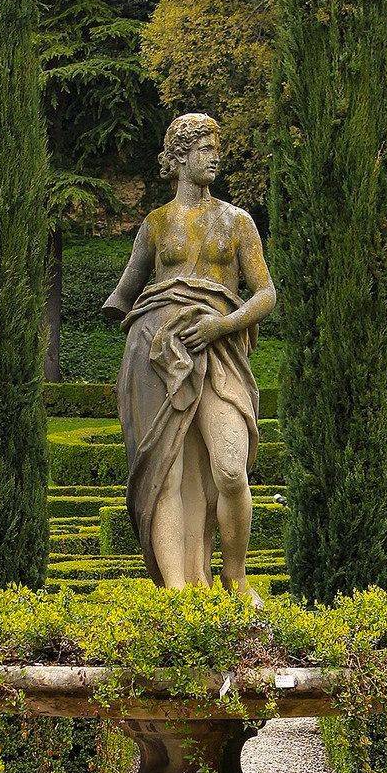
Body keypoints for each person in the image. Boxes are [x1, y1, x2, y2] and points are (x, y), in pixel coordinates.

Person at [103, 112, 276, 602]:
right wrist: (148, 333)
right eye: (204, 147)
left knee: (229, 469)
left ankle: (235, 577)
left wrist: (222, 323)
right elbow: (126, 295)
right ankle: (178, 592)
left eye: (215, 146)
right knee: (167, 473)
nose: (214, 155)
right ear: (178, 157)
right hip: (161, 357)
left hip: (220, 349)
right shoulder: (156, 225)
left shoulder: (237, 222)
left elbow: (266, 294)